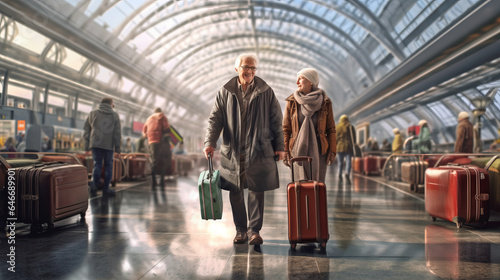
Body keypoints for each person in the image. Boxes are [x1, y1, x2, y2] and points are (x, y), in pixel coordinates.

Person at [203, 53, 285, 246]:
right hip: (234, 149)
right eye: (246, 67)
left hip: (258, 147)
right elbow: (215, 119)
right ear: (236, 68)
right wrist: (210, 142)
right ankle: (241, 230)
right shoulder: (225, 92)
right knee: (236, 189)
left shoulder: (266, 91)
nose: (249, 71)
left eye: (253, 68)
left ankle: (254, 231)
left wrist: (280, 146)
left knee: (257, 189)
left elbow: (276, 120)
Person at [283, 68, 336, 183]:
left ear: (311, 81)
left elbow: (331, 129)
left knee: (317, 187)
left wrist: (332, 150)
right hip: (296, 152)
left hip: (320, 153)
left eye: (301, 78)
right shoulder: (292, 102)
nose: (297, 82)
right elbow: (286, 129)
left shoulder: (325, 102)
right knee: (299, 188)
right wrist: (286, 150)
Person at [84, 97, 121, 196]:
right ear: (111, 104)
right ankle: (106, 189)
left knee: (97, 165)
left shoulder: (93, 113)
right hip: (109, 146)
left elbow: (86, 130)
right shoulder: (115, 115)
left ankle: (94, 188)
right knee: (108, 166)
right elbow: (117, 133)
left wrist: (86, 146)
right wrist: (117, 149)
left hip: (95, 143)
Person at [143, 107, 172, 188]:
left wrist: (149, 136)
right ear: (160, 112)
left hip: (151, 142)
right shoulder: (162, 117)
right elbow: (166, 129)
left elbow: (144, 131)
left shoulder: (149, 118)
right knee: (163, 160)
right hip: (160, 141)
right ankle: (162, 181)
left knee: (154, 161)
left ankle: (153, 181)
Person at [335, 115, 354, 181]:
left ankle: (340, 173)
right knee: (348, 161)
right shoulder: (350, 126)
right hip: (348, 146)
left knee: (340, 162)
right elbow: (353, 138)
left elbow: (335, 137)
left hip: (339, 146)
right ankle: (347, 173)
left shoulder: (337, 126)